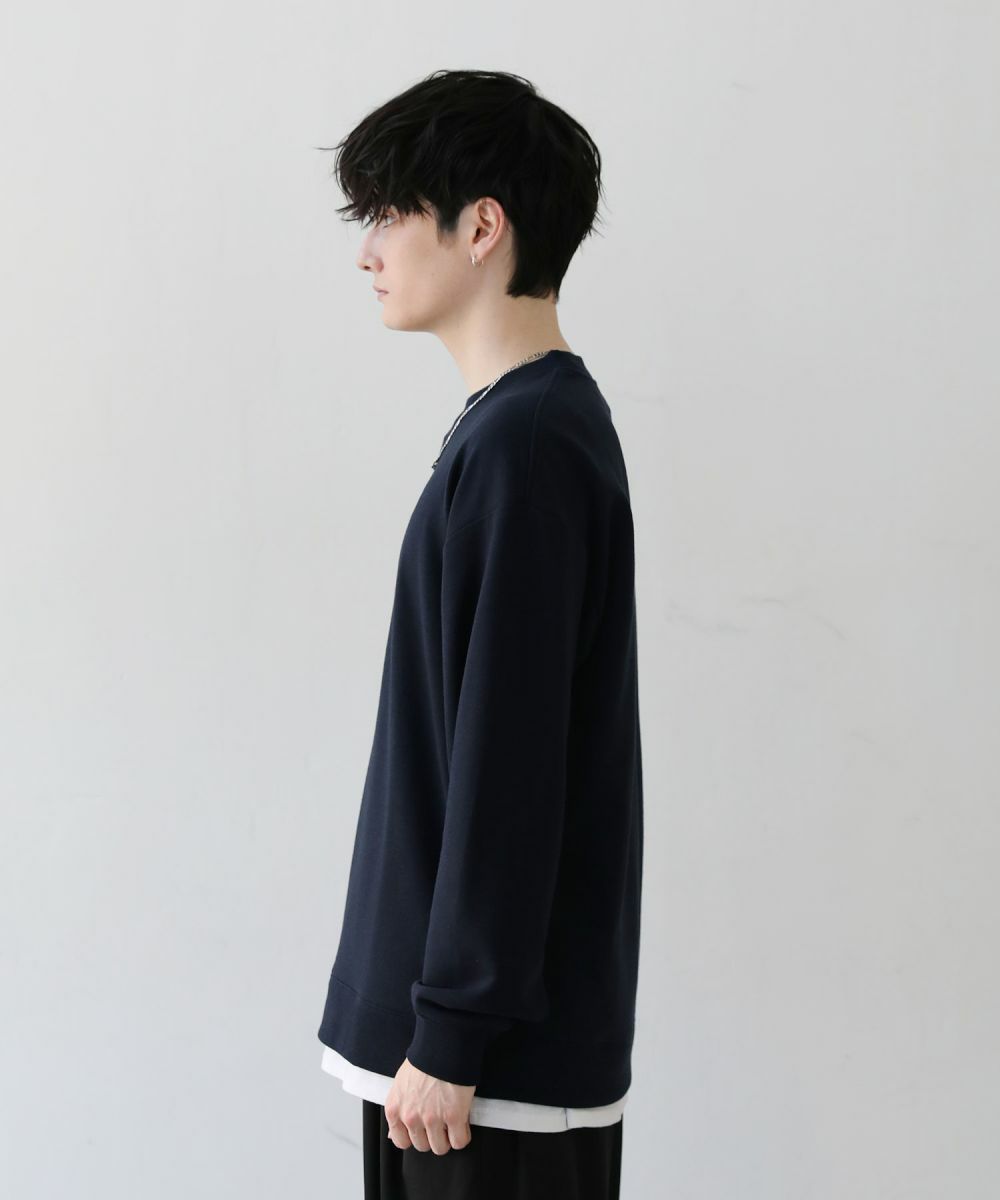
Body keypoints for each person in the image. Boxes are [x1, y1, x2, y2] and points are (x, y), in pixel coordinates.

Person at [314, 69, 643, 1200]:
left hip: (479, 1080)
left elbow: (510, 762)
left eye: (388, 215)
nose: (368, 252)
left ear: (482, 227)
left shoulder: (528, 448)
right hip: (457, 1062)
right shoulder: (514, 431)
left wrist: (452, 1030)